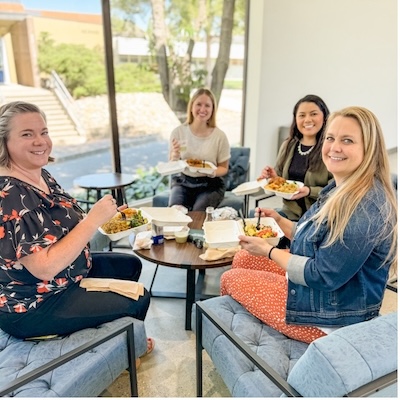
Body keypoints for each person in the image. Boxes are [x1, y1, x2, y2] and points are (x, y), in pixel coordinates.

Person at [221, 106, 397, 344]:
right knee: (243, 259)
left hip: (333, 317)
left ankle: (252, 343)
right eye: (331, 138)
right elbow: (315, 238)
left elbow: (321, 275)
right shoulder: (339, 186)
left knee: (229, 279)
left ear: (369, 149)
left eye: (347, 140)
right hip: (325, 293)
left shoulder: (365, 207)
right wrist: (281, 222)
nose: (335, 147)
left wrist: (268, 251)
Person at [0, 101, 154, 360]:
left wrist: (110, 217)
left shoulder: (41, 174)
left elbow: (69, 221)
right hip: (35, 302)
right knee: (140, 298)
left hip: (67, 275)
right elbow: (45, 268)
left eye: (44, 132)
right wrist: (93, 220)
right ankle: (128, 350)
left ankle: (112, 332)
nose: (41, 141)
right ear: (4, 141)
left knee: (129, 266)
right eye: (27, 134)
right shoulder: (10, 195)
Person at [258, 94, 332, 221]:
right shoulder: (288, 145)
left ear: (324, 117)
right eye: (302, 115)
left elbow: (336, 190)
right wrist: (274, 178)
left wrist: (309, 191)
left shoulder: (331, 149)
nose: (307, 120)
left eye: (313, 114)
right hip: (290, 213)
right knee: (258, 221)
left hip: (319, 217)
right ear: (296, 119)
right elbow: (282, 180)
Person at [168, 88, 230, 211]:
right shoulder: (179, 132)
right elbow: (172, 165)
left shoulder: (220, 136)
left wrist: (211, 171)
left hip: (210, 185)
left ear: (212, 110)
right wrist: (175, 154)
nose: (202, 109)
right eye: (198, 104)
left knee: (198, 213)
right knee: (175, 212)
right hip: (184, 181)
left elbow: (224, 168)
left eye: (207, 105)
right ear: (191, 107)